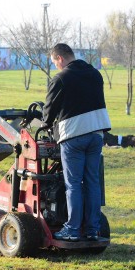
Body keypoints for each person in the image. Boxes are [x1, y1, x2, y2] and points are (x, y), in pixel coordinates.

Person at [42, 43, 111, 242]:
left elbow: (49, 112)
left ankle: (72, 229)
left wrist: (47, 123)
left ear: (60, 58)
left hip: (73, 137)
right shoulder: (95, 74)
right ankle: (91, 229)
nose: (56, 66)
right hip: (96, 134)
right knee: (92, 183)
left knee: (73, 184)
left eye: (55, 62)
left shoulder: (61, 78)